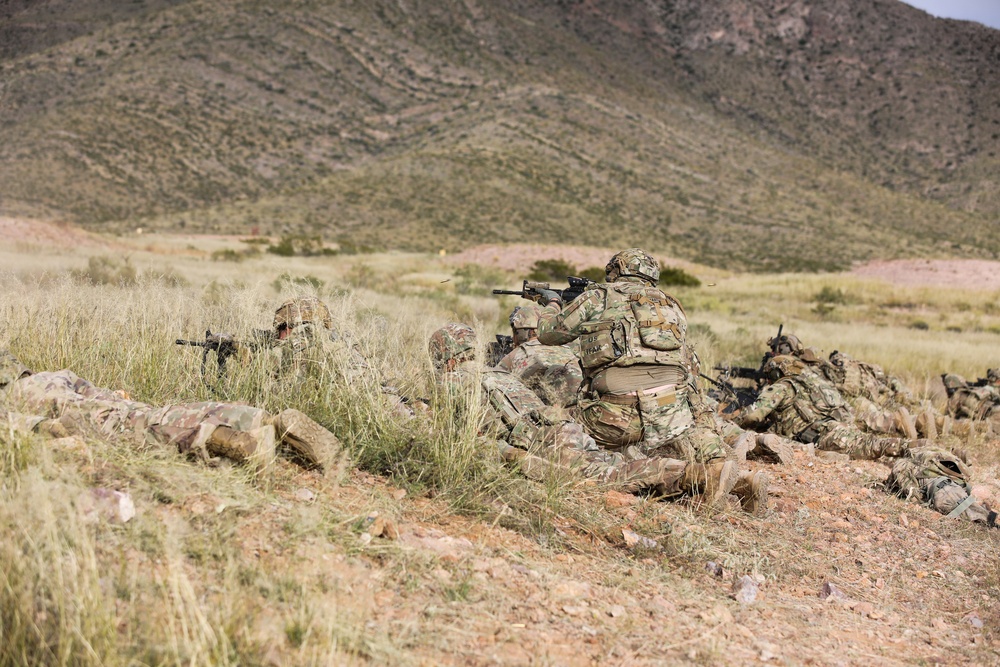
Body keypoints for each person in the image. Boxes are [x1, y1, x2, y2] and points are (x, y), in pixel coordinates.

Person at [428, 324, 767, 513]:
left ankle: (703, 475)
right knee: (616, 466)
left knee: (609, 477)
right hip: (560, 426)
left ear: (442, 355)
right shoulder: (495, 374)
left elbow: (452, 435)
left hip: (540, 440)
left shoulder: (453, 382)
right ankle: (735, 482)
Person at [535, 248, 729, 465]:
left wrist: (553, 303)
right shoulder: (671, 305)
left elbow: (547, 333)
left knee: (541, 427)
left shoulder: (597, 296)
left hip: (614, 419)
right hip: (671, 413)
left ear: (617, 269)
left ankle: (624, 461)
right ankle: (710, 460)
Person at [0, 350, 340, 473]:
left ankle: (238, 442)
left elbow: (25, 426)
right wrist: (117, 398)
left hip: (87, 418)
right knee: (170, 412)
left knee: (153, 431)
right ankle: (259, 418)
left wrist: (47, 429)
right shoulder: (54, 375)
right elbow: (100, 391)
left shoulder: (9, 399)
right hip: (111, 405)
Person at [733, 354, 915, 460]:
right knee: (867, 442)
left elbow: (753, 416)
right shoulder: (811, 382)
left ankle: (910, 448)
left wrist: (733, 423)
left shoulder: (781, 387)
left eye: (769, 374)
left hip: (821, 435)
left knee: (869, 446)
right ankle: (907, 442)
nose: (767, 379)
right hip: (835, 426)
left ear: (776, 372)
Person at [885, 445, 998, 529]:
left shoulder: (912, 458)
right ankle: (987, 517)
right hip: (940, 485)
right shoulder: (918, 457)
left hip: (939, 483)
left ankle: (987, 517)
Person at [497, 304, 583, 410]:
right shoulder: (569, 348)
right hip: (580, 407)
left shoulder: (518, 352)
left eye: (515, 332)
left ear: (522, 333)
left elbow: (496, 384)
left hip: (545, 413)